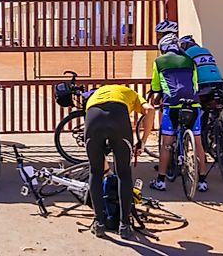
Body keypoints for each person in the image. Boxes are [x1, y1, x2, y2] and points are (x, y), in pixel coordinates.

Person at [84, 84, 155, 240]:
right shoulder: (129, 93)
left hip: (93, 117)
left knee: (95, 172)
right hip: (119, 118)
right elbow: (149, 110)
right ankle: (124, 225)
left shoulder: (95, 96)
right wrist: (142, 142)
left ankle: (99, 223)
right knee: (123, 174)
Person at [149, 33, 208, 192]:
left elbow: (156, 85)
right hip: (193, 104)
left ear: (163, 48)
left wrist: (156, 96)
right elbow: (195, 83)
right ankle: (202, 180)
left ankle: (160, 180)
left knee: (167, 144)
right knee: (198, 143)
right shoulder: (190, 61)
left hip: (172, 106)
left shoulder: (159, 62)